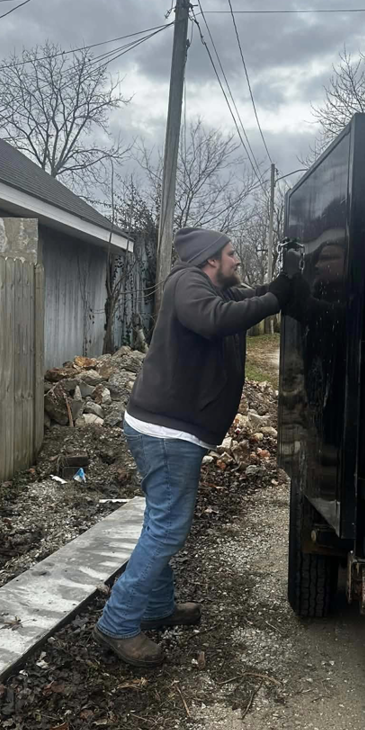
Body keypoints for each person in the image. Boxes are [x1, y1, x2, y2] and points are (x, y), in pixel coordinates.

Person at [93, 227, 293, 666]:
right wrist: (278, 297)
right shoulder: (188, 284)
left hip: (167, 428)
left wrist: (281, 288)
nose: (237, 260)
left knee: (160, 521)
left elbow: (241, 300)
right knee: (167, 527)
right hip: (166, 432)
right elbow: (216, 320)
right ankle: (119, 621)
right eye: (231, 253)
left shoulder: (207, 286)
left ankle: (157, 607)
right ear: (209, 260)